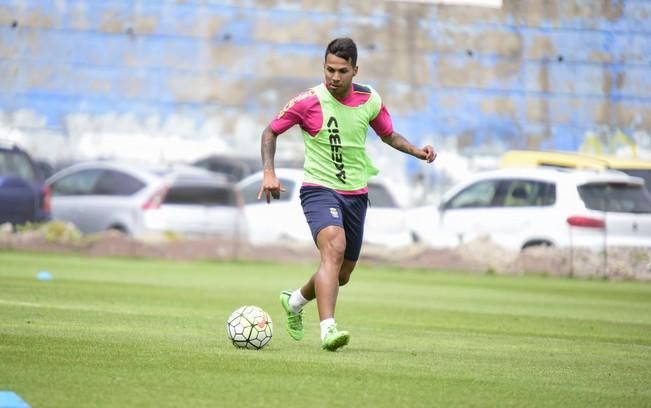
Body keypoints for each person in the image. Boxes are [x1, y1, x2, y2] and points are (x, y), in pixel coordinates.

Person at [257, 37, 436, 351]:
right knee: (333, 249)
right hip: (319, 189)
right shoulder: (308, 101)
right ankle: (328, 329)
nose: (334, 77)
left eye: (341, 71)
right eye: (329, 69)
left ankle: (295, 300)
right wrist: (269, 172)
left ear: (355, 70)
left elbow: (389, 134)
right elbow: (270, 130)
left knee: (342, 274)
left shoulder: (369, 99)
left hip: (356, 194)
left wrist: (417, 152)